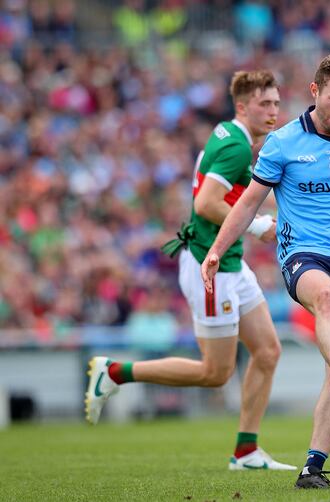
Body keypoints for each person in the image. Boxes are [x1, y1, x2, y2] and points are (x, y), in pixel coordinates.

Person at [201, 53, 330, 489]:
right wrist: (218, 249)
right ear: (315, 91)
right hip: (304, 254)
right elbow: (248, 203)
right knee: (327, 303)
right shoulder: (282, 143)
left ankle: (312, 467)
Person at [85, 70, 296, 472]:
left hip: (229, 261)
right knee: (216, 372)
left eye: (275, 103)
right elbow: (206, 205)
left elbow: (224, 197)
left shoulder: (227, 134)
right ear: (242, 106)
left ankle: (246, 451)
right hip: (210, 266)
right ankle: (114, 372)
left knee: (267, 351)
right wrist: (256, 226)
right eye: (264, 104)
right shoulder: (236, 146)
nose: (273, 112)